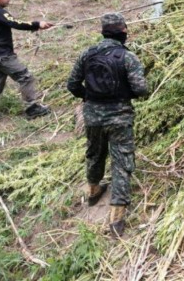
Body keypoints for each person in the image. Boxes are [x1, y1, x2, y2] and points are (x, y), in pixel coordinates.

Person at [66, 13, 148, 237]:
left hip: (92, 115)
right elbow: (141, 89)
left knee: (94, 152)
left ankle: (93, 190)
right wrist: (125, 95)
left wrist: (88, 97)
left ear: (103, 32)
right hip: (120, 116)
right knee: (121, 160)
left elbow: (72, 84)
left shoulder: (87, 54)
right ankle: (117, 216)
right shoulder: (127, 57)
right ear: (123, 32)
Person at [0, 0, 53, 122]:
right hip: (3, 55)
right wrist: (37, 24)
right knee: (25, 77)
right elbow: (15, 23)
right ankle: (32, 108)